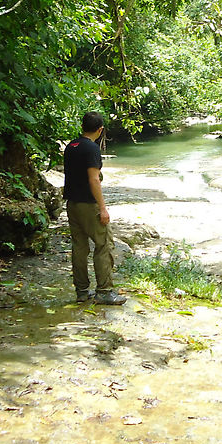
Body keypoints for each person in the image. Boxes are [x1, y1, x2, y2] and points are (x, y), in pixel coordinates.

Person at [63, 111, 126, 305]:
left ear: (82, 126)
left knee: (79, 247)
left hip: (72, 203)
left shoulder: (71, 146)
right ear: (100, 130)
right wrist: (103, 208)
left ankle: (81, 291)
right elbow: (94, 179)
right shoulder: (91, 149)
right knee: (103, 245)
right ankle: (104, 291)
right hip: (88, 205)